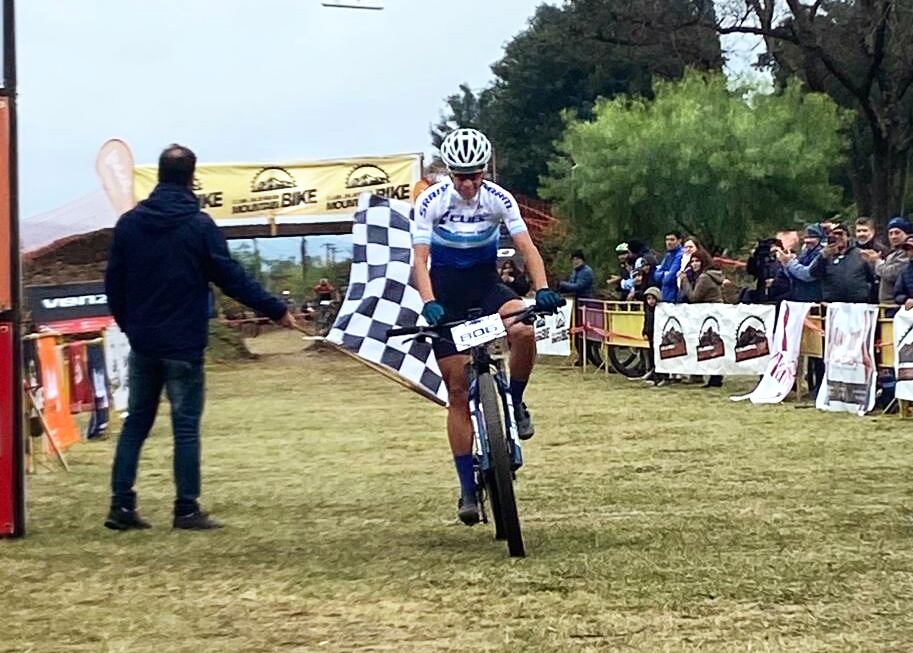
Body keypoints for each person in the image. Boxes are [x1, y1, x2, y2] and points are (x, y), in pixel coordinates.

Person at [103, 144, 294, 531]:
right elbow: (230, 276)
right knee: (185, 426)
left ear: (158, 176)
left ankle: (121, 506)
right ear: (191, 178)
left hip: (144, 342)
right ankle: (185, 508)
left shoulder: (130, 224)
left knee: (136, 422)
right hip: (184, 343)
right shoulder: (198, 225)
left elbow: (113, 284)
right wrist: (276, 309)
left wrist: (131, 326)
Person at [412, 127, 562, 526]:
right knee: (457, 391)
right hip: (445, 295)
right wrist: (429, 303)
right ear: (448, 173)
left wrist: (542, 289)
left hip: (485, 287)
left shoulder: (499, 199)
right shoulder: (431, 201)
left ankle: (515, 399)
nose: (466, 183)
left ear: (484, 171)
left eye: (474, 175)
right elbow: (420, 260)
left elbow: (527, 247)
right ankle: (466, 487)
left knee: (525, 329)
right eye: (459, 175)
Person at [679, 249, 724, 387]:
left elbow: (694, 297)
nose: (694, 264)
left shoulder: (704, 277)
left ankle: (715, 377)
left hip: (711, 313)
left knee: (711, 343)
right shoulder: (704, 276)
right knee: (712, 344)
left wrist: (685, 281)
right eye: (692, 261)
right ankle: (714, 377)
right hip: (710, 312)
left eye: (697, 261)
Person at [810, 222, 875, 303]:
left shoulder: (860, 254)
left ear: (847, 236)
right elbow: (813, 273)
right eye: (833, 234)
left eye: (840, 234)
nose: (837, 237)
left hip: (857, 305)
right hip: (832, 304)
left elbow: (872, 278)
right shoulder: (825, 255)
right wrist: (822, 257)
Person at [778, 224, 824, 302]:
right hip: (800, 297)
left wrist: (789, 263)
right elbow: (794, 274)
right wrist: (785, 263)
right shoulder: (805, 253)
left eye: (812, 238)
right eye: (806, 238)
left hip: (816, 298)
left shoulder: (821, 254)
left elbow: (808, 275)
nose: (807, 241)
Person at [875, 217, 913, 305]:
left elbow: (891, 273)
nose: (893, 236)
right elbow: (899, 292)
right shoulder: (892, 254)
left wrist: (877, 262)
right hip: (890, 305)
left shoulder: (904, 256)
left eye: (897, 233)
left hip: (897, 307)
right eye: (890, 233)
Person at [641, 287, 664, 386]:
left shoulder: (660, 311)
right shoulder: (647, 310)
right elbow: (646, 323)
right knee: (651, 356)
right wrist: (645, 332)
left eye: (653, 299)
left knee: (658, 357)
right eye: (649, 299)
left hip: (658, 337)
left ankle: (661, 377)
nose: (651, 301)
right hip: (650, 337)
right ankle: (653, 375)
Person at [653, 232, 684, 303]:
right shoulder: (668, 255)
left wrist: (664, 274)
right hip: (666, 293)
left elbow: (669, 278)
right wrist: (665, 274)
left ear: (679, 241)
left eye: (672, 240)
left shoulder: (680, 255)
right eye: (667, 240)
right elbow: (656, 276)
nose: (669, 242)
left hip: (675, 295)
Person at [894, 234, 913, 308]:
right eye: (908, 249)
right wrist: (906, 299)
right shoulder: (904, 271)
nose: (911, 251)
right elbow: (897, 295)